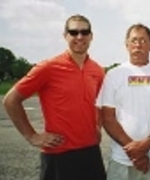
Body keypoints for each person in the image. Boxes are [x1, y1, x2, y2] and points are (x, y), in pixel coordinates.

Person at [2, 14, 106, 180]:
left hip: (90, 152)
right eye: (73, 32)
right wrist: (32, 136)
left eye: (84, 32)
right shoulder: (48, 67)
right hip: (59, 155)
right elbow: (10, 100)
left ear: (91, 36)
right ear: (65, 36)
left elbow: (100, 103)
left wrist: (98, 126)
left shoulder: (98, 70)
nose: (79, 37)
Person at [97, 23, 150, 180]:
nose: (138, 45)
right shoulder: (114, 74)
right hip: (122, 159)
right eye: (133, 40)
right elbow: (108, 117)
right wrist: (135, 152)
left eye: (143, 40)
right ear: (126, 45)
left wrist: (147, 144)